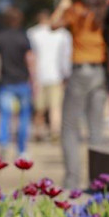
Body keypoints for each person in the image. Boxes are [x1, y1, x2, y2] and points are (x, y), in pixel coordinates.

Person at [51, 0, 109, 189]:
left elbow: (53, 24)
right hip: (101, 71)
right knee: (96, 129)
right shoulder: (106, 8)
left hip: (81, 71)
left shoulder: (76, 10)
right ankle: (98, 180)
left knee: (69, 127)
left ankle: (72, 180)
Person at [0, 7, 35, 159]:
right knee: (24, 117)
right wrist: (34, 80)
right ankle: (22, 149)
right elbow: (30, 60)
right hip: (22, 81)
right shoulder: (24, 37)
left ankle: (3, 143)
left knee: (4, 116)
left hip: (5, 82)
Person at [27, 10, 71, 142]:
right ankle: (55, 133)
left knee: (39, 108)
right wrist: (66, 74)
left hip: (38, 76)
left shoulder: (32, 33)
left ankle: (39, 132)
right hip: (56, 75)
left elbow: (31, 56)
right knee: (55, 107)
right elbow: (66, 57)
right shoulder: (63, 34)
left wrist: (31, 75)